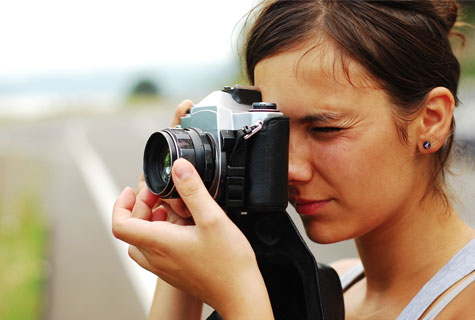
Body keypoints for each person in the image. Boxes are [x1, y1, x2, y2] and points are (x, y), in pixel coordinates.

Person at [112, 0, 475, 319]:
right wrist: (183, 249)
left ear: (431, 121)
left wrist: (240, 295)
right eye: (274, 132)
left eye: (324, 129)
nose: (289, 169)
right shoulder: (333, 289)